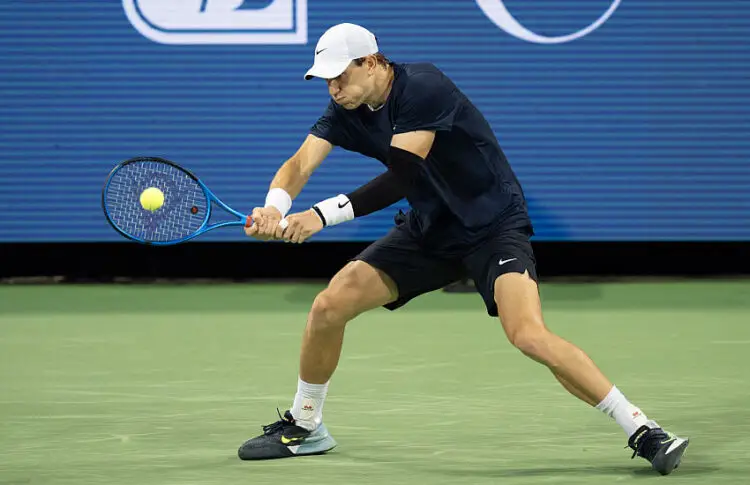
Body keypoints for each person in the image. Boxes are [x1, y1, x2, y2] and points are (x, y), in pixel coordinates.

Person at [238, 23, 689, 475]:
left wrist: (318, 217)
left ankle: (642, 429)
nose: (334, 88)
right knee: (328, 306)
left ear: (372, 63)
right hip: (429, 231)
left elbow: (402, 177)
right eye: (326, 79)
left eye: (340, 75)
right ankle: (306, 424)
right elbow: (300, 164)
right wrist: (275, 207)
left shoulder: (422, 87)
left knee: (527, 333)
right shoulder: (345, 108)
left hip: (492, 227)